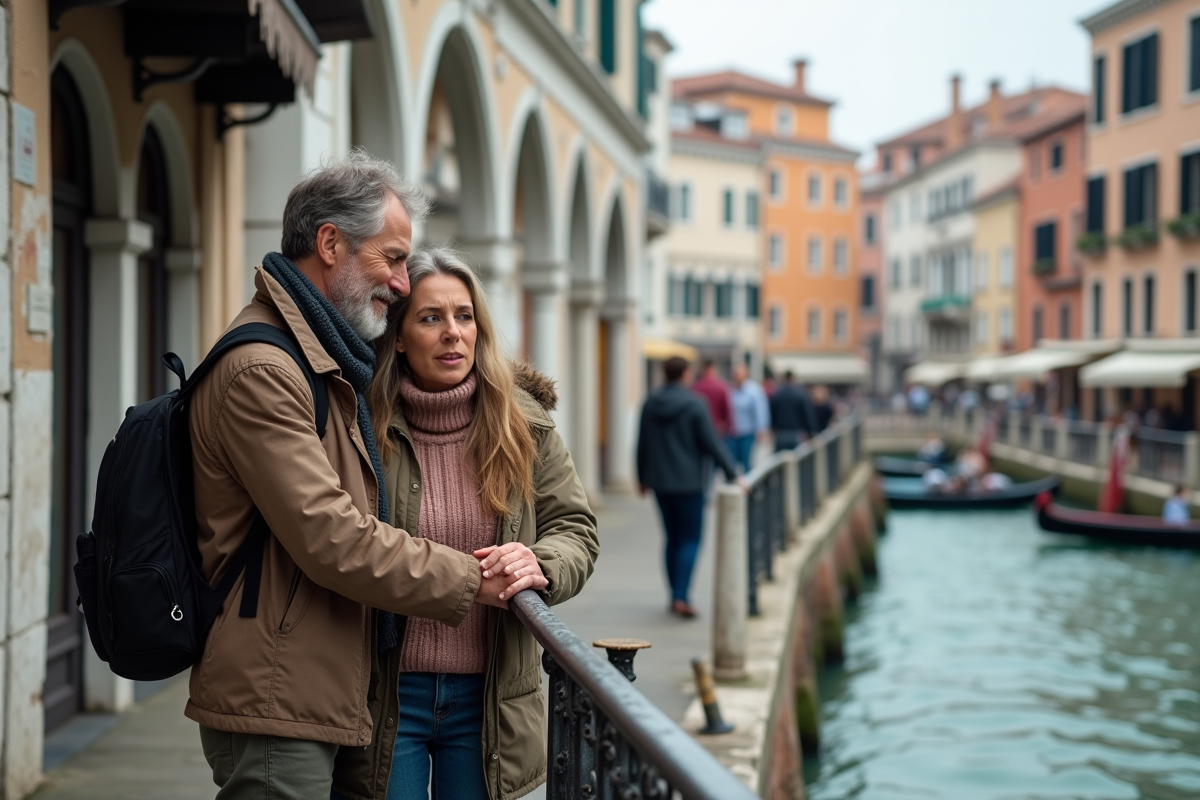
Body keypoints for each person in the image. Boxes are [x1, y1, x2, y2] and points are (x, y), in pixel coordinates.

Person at [187, 153, 516, 799]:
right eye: (392, 258)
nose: (401, 283)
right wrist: (474, 578)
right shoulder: (266, 369)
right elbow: (333, 537)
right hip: (277, 692)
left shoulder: (321, 360)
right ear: (330, 243)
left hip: (309, 685)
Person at [358, 248, 599, 800]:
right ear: (397, 336)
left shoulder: (525, 426)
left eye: (463, 316)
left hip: (492, 698)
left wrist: (539, 561)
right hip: (386, 692)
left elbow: (576, 530)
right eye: (430, 318)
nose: (452, 333)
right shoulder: (361, 424)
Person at [637, 356, 741, 618]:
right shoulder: (695, 403)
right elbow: (711, 442)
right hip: (689, 482)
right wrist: (733, 473)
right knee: (691, 539)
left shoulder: (651, 403)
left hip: (660, 482)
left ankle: (675, 593)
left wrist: (641, 478)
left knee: (672, 537)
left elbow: (642, 442)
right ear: (685, 375)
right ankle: (680, 595)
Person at [727, 363, 770, 474]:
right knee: (731, 462)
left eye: (739, 374)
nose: (737, 376)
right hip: (732, 433)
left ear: (746, 374)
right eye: (735, 374)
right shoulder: (730, 390)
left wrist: (761, 429)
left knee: (747, 462)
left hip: (748, 433)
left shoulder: (754, 390)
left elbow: (760, 411)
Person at [769, 371, 820, 452]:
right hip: (796, 434)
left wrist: (772, 428)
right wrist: (811, 432)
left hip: (780, 433)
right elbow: (807, 415)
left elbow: (771, 414)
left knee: (780, 459)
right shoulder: (800, 395)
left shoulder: (777, 395)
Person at [692, 359, 733, 438]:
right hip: (717, 429)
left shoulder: (695, 387)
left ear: (703, 370)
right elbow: (727, 412)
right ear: (714, 370)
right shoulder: (722, 387)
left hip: (699, 428)